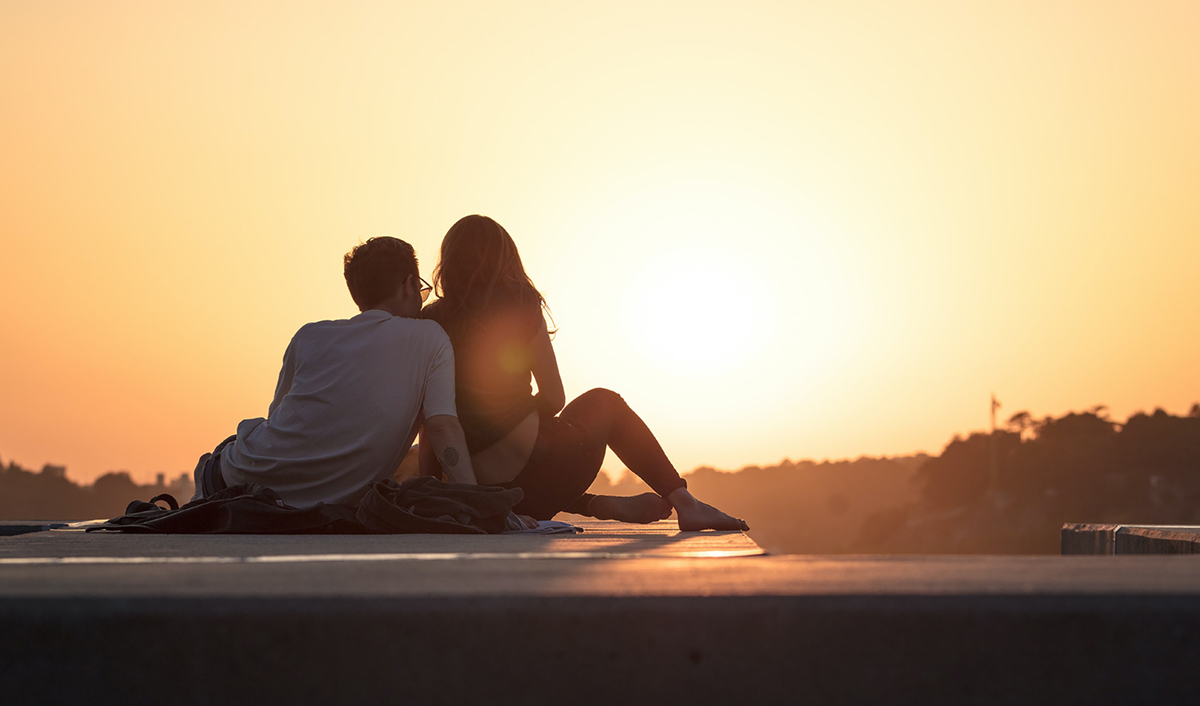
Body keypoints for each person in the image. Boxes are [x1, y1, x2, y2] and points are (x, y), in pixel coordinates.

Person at [419, 215, 749, 531]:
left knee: (519, 463)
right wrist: (516, 417)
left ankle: (590, 504)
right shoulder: (519, 301)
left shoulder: (429, 321)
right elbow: (553, 397)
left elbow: (430, 423)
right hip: (539, 472)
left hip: (486, 493)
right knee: (605, 402)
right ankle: (686, 503)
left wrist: (439, 491)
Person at [191, 236, 480, 510]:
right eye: (420, 290)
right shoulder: (430, 337)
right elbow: (442, 428)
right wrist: (481, 505)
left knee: (235, 445)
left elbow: (281, 421)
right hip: (306, 500)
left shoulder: (309, 336)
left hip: (237, 479)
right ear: (408, 285)